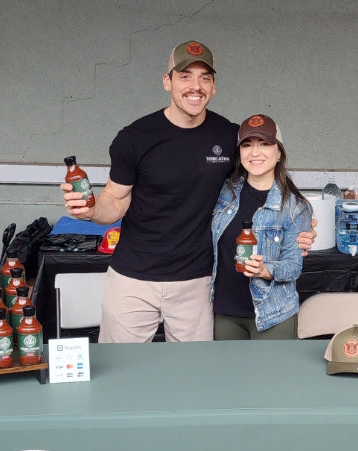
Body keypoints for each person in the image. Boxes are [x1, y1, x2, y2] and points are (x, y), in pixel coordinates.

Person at [62, 40, 315, 343]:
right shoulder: (134, 138)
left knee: (193, 378)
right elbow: (115, 200)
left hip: (196, 282)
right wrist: (90, 211)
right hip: (133, 278)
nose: (195, 86)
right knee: (121, 372)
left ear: (214, 86)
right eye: (185, 76)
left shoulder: (228, 136)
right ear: (167, 81)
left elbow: (264, 179)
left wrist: (301, 224)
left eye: (204, 77)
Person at [211, 115, 312, 340]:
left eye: (264, 144)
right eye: (247, 145)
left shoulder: (295, 207)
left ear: (279, 153)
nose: (255, 153)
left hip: (273, 314)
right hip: (225, 312)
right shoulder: (223, 193)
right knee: (226, 376)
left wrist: (265, 270)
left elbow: (294, 267)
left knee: (271, 376)